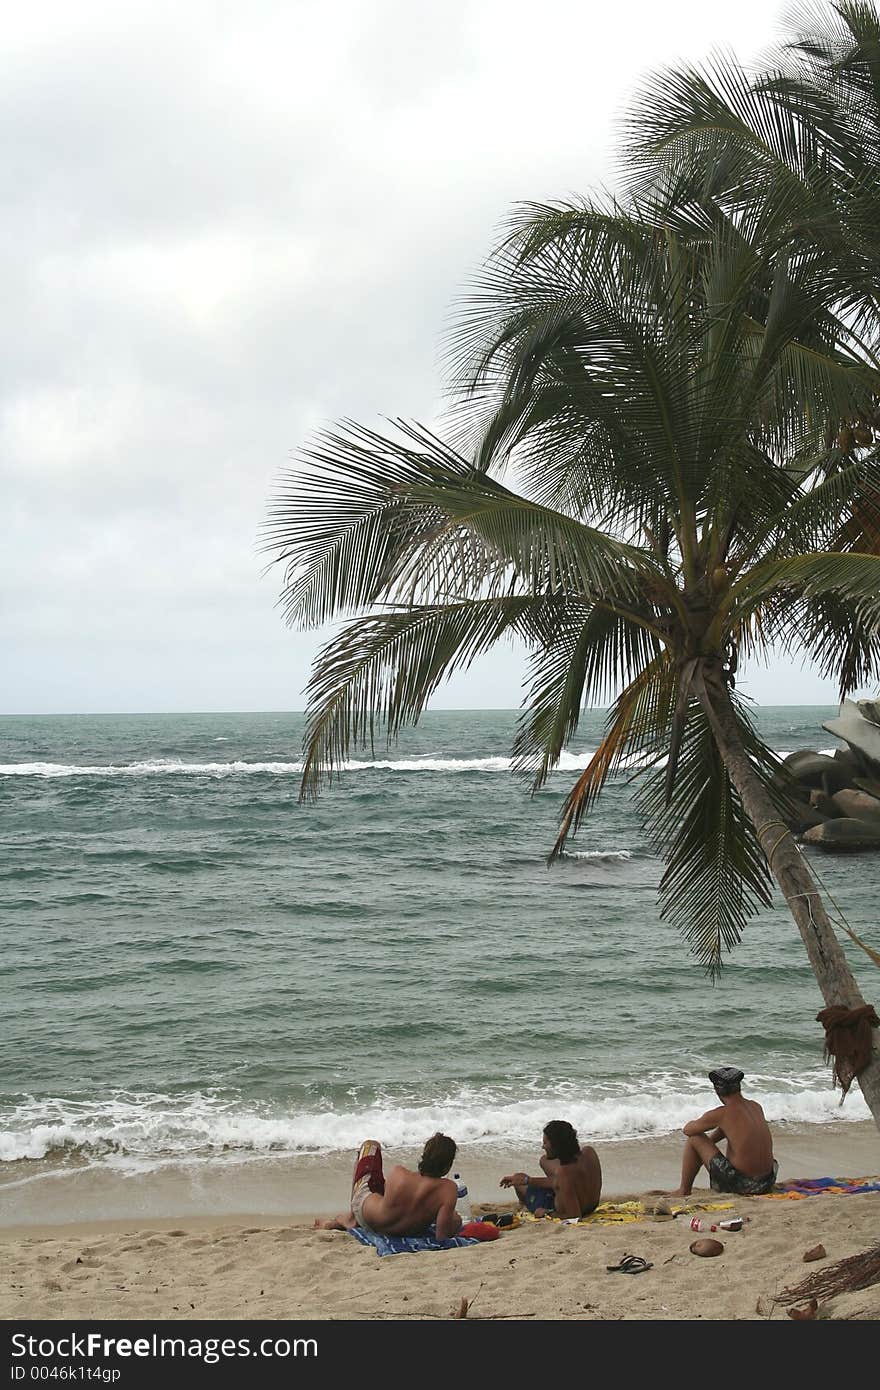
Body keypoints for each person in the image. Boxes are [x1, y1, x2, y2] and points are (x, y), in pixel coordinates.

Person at [314, 1133, 462, 1238]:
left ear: (425, 1156)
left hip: (369, 1219)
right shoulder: (448, 1190)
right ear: (447, 1166)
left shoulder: (399, 1174)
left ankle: (351, 1219)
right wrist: (454, 1222)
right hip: (407, 1232)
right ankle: (343, 1220)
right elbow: (442, 1236)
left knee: (371, 1145)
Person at [671, 1066, 778, 1197]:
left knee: (695, 1138)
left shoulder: (722, 1113)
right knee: (702, 1142)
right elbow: (731, 1129)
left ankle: (684, 1190)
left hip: (743, 1185)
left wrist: (701, 1144)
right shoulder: (755, 1106)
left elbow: (688, 1130)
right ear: (738, 1087)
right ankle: (685, 1187)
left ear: (717, 1090)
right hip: (767, 1182)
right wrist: (706, 1146)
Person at [500, 1120, 601, 1217]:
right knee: (544, 1160)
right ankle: (527, 1186)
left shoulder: (564, 1172)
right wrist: (527, 1180)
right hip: (591, 1206)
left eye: (545, 1143)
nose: (542, 1147)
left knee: (519, 1185)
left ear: (557, 1146)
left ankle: (523, 1202)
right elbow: (563, 1181)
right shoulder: (589, 1152)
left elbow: (574, 1216)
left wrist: (547, 1213)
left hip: (571, 1209)